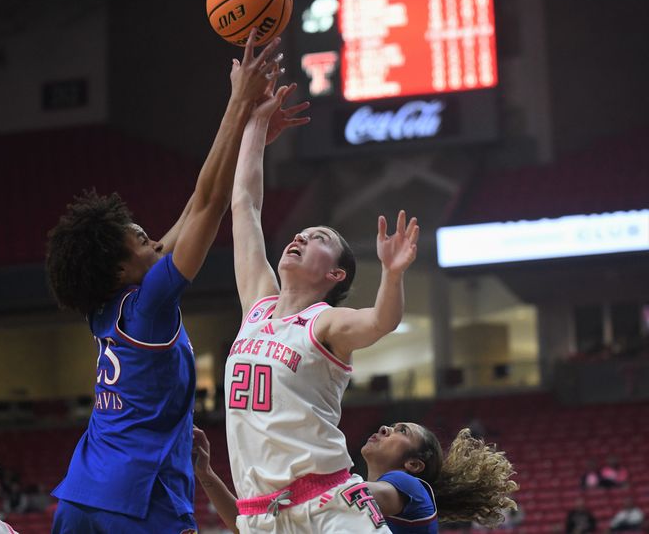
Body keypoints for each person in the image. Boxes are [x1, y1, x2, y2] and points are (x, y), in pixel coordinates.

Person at [45, 29, 307, 533]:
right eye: (143, 239)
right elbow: (208, 205)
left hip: (81, 494)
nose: (156, 242)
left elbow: (192, 205)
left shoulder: (106, 306)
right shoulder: (151, 305)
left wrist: (250, 132)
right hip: (141, 497)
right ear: (122, 268)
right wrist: (238, 102)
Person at [224, 78, 419, 532]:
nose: (300, 237)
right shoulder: (257, 303)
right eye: (301, 233)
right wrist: (254, 123)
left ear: (336, 275)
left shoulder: (325, 322)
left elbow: (381, 320)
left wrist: (392, 275)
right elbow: (245, 205)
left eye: (319, 239)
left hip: (329, 505)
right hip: (260, 518)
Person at [193, 422, 518, 534]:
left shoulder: (412, 488)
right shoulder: (340, 497)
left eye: (401, 431)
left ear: (415, 465)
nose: (385, 428)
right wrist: (205, 475)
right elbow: (247, 526)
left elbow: (343, 496)